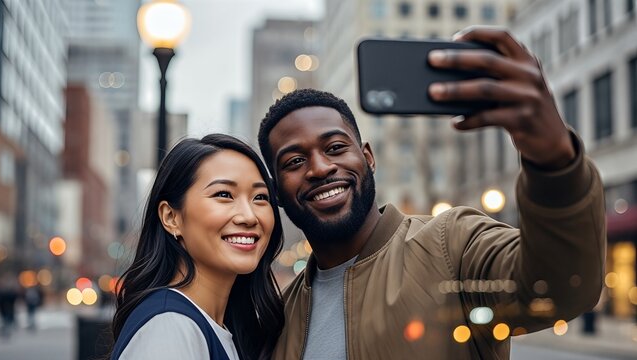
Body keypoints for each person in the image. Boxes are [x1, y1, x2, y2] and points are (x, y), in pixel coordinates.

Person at [257, 27, 606, 359]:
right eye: (295, 161)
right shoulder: (281, 315)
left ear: (367, 158)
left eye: (334, 147)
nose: (319, 168)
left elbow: (559, 289)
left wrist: (553, 159)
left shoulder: (452, 244)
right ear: (277, 192)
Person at [110, 134, 284, 360]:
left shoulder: (219, 329)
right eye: (224, 194)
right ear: (171, 217)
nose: (249, 217)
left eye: (260, 197)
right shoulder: (170, 328)